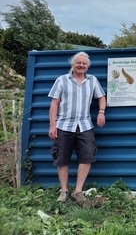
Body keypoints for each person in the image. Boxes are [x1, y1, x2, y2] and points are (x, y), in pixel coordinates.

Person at [48, 51, 106, 202]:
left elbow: (101, 97)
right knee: (62, 159)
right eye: (78, 63)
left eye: (84, 64)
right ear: (72, 64)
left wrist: (101, 112)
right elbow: (54, 104)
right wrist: (52, 125)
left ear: (87, 66)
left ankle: (78, 191)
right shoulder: (61, 80)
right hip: (63, 125)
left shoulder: (92, 80)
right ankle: (64, 190)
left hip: (85, 126)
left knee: (87, 157)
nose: (81, 65)